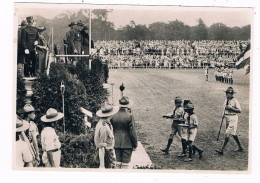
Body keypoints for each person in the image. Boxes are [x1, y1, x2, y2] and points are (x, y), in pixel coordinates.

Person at [110, 96, 138, 169]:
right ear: (127, 106)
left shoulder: (113, 116)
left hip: (116, 142)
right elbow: (132, 132)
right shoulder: (130, 116)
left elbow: (111, 129)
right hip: (127, 143)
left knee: (117, 163)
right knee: (125, 165)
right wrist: (135, 144)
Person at [215, 87, 243, 155]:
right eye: (226, 93)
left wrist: (231, 108)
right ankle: (240, 147)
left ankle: (221, 150)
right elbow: (225, 108)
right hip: (227, 118)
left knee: (227, 133)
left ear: (232, 94)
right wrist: (223, 114)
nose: (227, 94)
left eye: (228, 93)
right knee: (233, 133)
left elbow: (239, 110)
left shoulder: (235, 101)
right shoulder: (226, 100)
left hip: (233, 118)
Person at [95, 102, 119, 168]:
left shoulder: (105, 123)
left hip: (108, 153)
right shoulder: (104, 127)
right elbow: (101, 147)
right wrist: (102, 165)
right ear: (110, 115)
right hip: (106, 155)